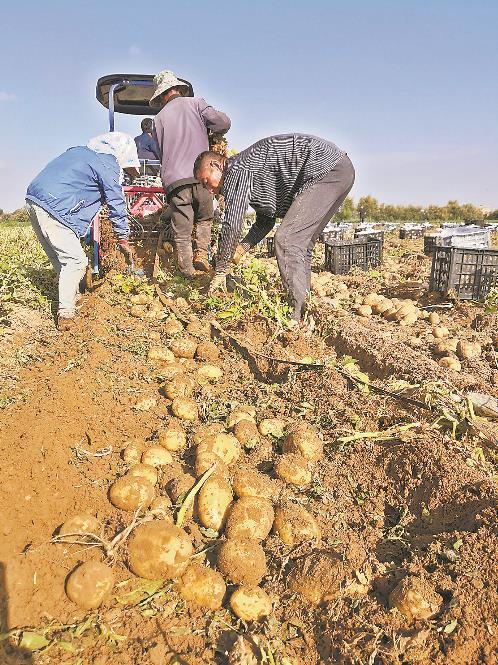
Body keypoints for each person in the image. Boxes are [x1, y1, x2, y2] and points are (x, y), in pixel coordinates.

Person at [193, 133, 355, 323]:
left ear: (216, 165)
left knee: (287, 240)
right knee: (301, 245)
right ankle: (304, 310)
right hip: (340, 169)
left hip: (325, 168)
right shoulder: (250, 174)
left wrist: (221, 268)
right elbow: (265, 221)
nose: (208, 190)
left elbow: (232, 223)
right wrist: (242, 248)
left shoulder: (235, 169)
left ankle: (295, 316)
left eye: (206, 181)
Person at [25, 132, 139, 330]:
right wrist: (123, 239)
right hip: (56, 206)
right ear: (122, 153)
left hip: (34, 200)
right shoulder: (107, 163)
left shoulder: (80, 152)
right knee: (76, 261)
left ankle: (72, 295)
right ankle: (66, 313)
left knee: (61, 258)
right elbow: (116, 201)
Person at [150, 69, 231, 277]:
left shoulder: (158, 120)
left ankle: (187, 271)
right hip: (202, 175)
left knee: (182, 229)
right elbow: (223, 123)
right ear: (177, 89)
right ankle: (201, 255)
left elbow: (160, 152)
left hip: (175, 181)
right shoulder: (196, 103)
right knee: (205, 218)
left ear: (162, 95)